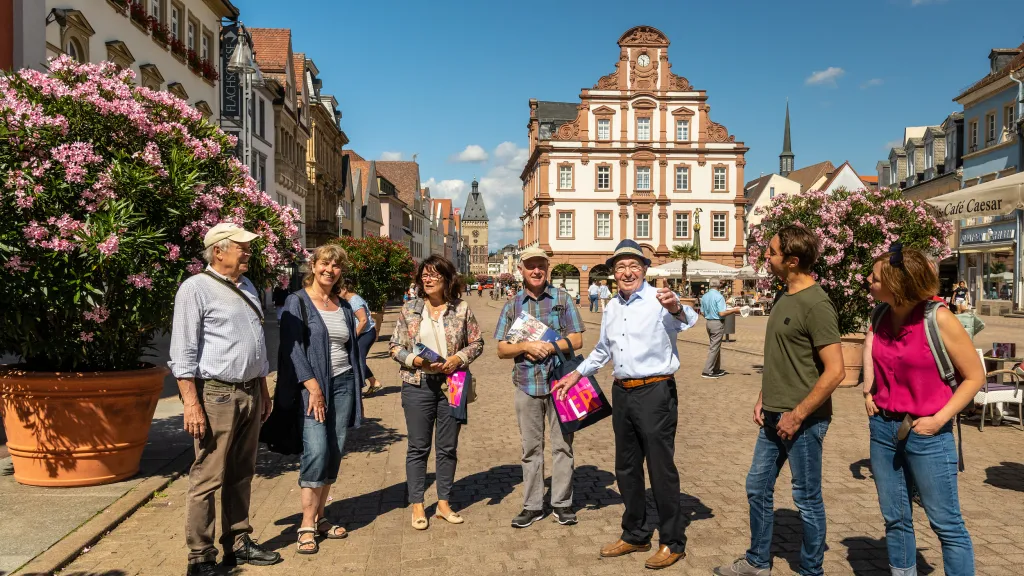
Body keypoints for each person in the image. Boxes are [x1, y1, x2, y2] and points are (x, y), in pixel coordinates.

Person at [553, 239, 698, 570]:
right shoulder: (612, 306)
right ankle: (635, 533)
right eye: (620, 267)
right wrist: (575, 375)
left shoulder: (660, 298)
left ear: (645, 270)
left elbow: (689, 319)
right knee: (627, 467)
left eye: (634, 265)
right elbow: (603, 349)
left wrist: (675, 305)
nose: (627, 272)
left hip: (656, 391)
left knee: (661, 468)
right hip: (623, 391)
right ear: (613, 273)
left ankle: (673, 541)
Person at [713, 225, 845, 576]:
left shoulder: (817, 304)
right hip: (773, 413)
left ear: (792, 260)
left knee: (806, 499)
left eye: (771, 253)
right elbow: (781, 356)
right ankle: (758, 562)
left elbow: (835, 372)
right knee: (757, 488)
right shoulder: (784, 297)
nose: (766, 258)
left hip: (803, 420)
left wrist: (798, 414)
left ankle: (811, 570)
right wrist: (763, 397)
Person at [864, 246, 983, 576]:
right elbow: (873, 352)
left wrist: (939, 419)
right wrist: (869, 391)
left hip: (928, 433)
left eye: (874, 278)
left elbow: (975, 377)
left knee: (946, 524)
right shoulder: (881, 315)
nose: (868, 283)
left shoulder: (938, 318)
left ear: (896, 283)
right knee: (895, 518)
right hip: (884, 430)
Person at [168, 223, 280, 575]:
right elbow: (182, 353)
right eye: (242, 247)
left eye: (248, 248)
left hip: (249, 390)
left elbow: (257, 344)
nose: (248, 253)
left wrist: (262, 388)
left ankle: (238, 542)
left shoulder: (245, 285)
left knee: (241, 472)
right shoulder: (195, 289)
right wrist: (191, 403)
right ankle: (200, 556)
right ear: (219, 251)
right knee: (208, 475)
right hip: (216, 393)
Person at [278, 245, 366, 555]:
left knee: (335, 448)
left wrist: (359, 379)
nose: (330, 269)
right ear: (313, 266)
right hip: (312, 387)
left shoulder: (341, 305)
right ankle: (305, 524)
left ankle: (320, 517)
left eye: (336, 265)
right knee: (315, 450)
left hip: (342, 383)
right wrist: (312, 386)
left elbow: (351, 346)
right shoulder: (297, 302)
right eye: (324, 263)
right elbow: (293, 348)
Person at [390, 255, 484, 530]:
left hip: (453, 383)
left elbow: (477, 342)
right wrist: (416, 361)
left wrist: (459, 359)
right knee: (418, 447)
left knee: (447, 447)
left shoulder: (461, 308)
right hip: (418, 383)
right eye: (424, 275)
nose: (427, 280)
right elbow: (395, 346)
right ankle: (417, 503)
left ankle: (443, 503)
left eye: (434, 275)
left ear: (446, 278)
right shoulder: (410, 309)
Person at [495, 247, 585, 529]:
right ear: (521, 270)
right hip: (526, 383)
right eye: (530, 266)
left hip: (562, 384)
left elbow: (578, 339)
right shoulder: (512, 305)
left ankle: (562, 503)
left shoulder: (562, 298)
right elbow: (501, 349)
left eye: (541, 266)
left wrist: (548, 346)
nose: (536, 271)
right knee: (530, 449)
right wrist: (525, 346)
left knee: (563, 447)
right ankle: (533, 505)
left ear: (547, 268)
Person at [339, 279, 381, 395]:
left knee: (358, 359)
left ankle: (358, 387)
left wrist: (353, 336)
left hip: (366, 333)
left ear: (345, 289)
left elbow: (363, 320)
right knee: (356, 358)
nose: (337, 293)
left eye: (339, 290)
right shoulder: (351, 300)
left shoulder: (354, 300)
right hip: (364, 333)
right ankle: (374, 382)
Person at [700, 280, 740, 378]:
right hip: (717, 323)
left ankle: (716, 369)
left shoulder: (705, 296)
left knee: (715, 346)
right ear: (719, 286)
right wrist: (735, 310)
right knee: (714, 347)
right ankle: (707, 370)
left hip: (708, 322)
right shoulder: (719, 296)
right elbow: (721, 313)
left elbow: (702, 312)